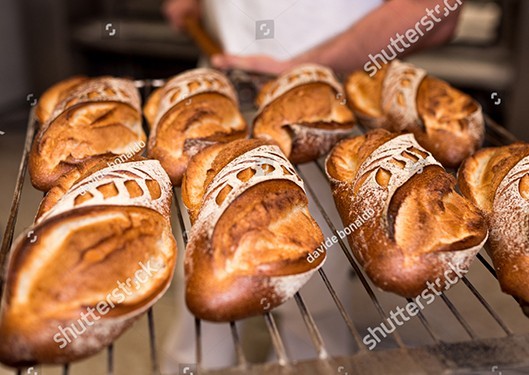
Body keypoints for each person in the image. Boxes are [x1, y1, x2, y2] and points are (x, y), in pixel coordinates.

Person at [160, 0, 463, 371]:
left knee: (315, 298)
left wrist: (314, 64)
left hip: (321, 103)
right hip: (215, 92)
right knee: (206, 283)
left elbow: (437, 11)